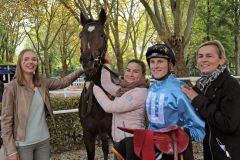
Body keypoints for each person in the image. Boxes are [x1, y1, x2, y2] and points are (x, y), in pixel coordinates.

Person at [114, 43, 205, 160]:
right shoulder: (150, 89)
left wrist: (180, 132)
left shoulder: (180, 90)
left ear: (170, 65)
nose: (155, 66)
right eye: (152, 62)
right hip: (150, 148)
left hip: (174, 150)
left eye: (160, 61)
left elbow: (200, 129)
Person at [1, 49, 84, 160]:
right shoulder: (12, 88)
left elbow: (63, 82)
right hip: (22, 145)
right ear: (20, 63)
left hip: (43, 141)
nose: (31, 62)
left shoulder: (42, 82)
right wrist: (11, 151)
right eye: (26, 59)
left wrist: (82, 69)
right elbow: (6, 121)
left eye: (34, 59)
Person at [181, 40, 240, 160]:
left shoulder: (230, 85)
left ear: (222, 60)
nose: (203, 60)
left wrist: (198, 99)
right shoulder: (202, 84)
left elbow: (228, 124)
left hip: (228, 152)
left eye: (209, 56)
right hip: (210, 150)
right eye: (200, 56)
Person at [85, 58, 149, 159]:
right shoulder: (125, 90)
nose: (130, 74)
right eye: (128, 70)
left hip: (132, 143)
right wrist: (106, 62)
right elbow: (106, 84)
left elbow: (109, 107)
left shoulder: (139, 92)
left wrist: (93, 88)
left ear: (143, 75)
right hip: (121, 141)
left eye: (136, 71)